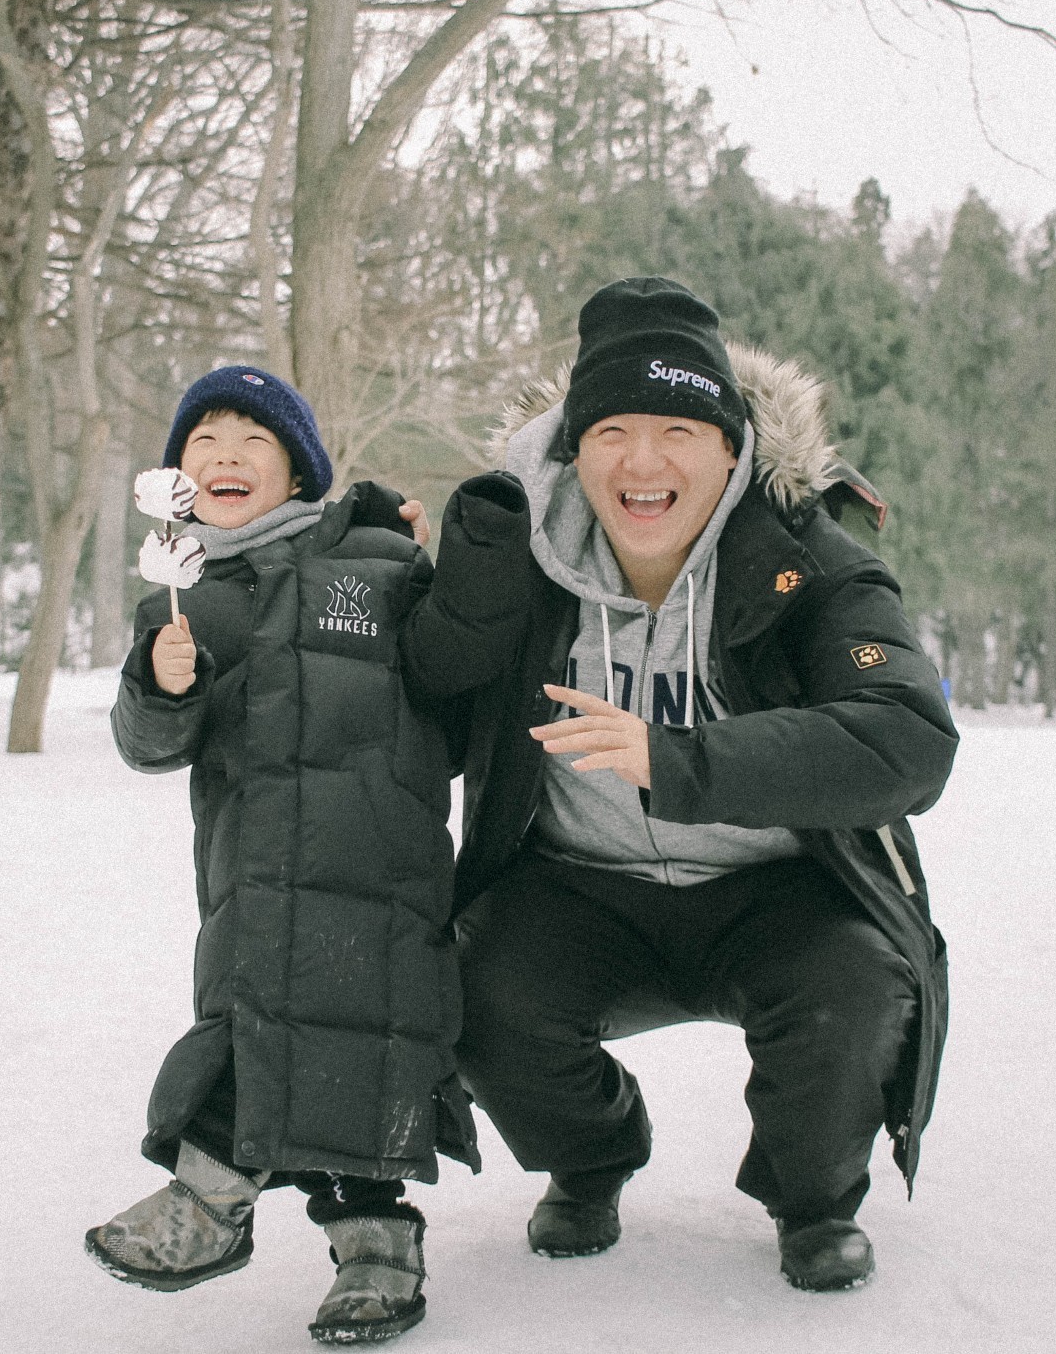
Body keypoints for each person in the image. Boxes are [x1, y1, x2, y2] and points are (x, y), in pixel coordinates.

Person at [404, 278, 956, 1292]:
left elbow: (907, 741)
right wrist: (421, 594)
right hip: (578, 885)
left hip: (777, 890)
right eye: (609, 428)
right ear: (575, 449)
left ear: (732, 449)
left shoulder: (811, 561)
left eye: (677, 430)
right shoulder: (518, 559)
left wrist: (678, 759)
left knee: (853, 993)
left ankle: (810, 1199)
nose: (642, 461)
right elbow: (424, 722)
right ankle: (591, 1157)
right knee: (474, 987)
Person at [87, 365, 476, 1345]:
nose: (225, 455)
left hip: (377, 869)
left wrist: (416, 551)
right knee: (245, 1032)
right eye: (203, 441)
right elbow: (147, 746)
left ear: (298, 472)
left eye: (253, 440)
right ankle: (208, 1206)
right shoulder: (185, 602)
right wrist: (157, 682)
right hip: (250, 877)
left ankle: (377, 1244)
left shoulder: (374, 563)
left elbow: (448, 677)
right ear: (177, 476)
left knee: (367, 1050)